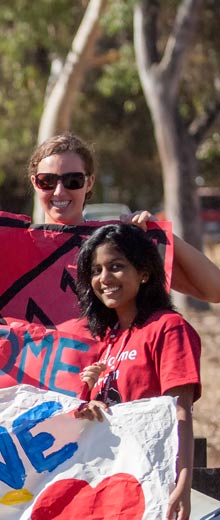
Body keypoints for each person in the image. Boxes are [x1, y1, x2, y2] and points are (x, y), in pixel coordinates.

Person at [72, 224, 200, 520]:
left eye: (116, 267)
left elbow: (179, 414)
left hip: (153, 486)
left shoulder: (169, 328)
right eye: (96, 270)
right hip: (108, 490)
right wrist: (87, 400)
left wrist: (182, 483)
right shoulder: (106, 341)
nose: (104, 279)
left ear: (143, 273)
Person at [29, 132, 220, 303]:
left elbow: (214, 291)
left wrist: (161, 234)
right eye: (47, 181)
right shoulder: (16, 247)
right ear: (34, 183)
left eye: (73, 181)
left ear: (89, 182)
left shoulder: (122, 245)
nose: (59, 191)